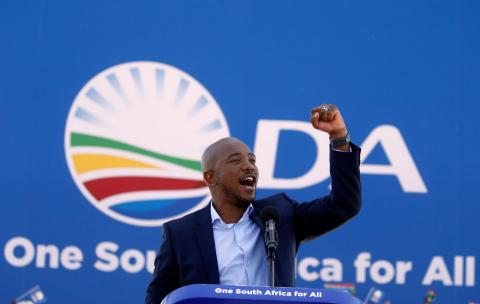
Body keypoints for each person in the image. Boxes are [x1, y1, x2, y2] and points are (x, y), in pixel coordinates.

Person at [145, 104, 361, 303]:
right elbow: (158, 298)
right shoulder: (180, 232)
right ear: (210, 177)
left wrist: (339, 137)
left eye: (252, 160)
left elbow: (344, 205)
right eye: (235, 161)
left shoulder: (280, 214)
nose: (249, 167)